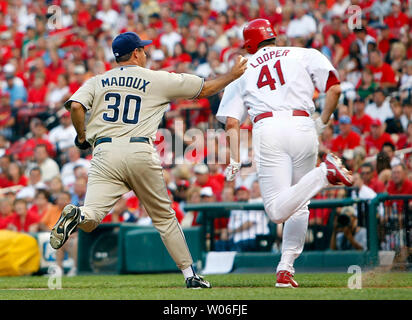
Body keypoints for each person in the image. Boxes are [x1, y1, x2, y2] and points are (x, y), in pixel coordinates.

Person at [49, 31, 247, 289]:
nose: (145, 52)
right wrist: (232, 75)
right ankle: (190, 276)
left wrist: (82, 136)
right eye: (142, 49)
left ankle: (77, 213)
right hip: (138, 149)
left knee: (92, 217)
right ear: (135, 54)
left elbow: (76, 107)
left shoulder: (98, 81)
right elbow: (205, 88)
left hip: (104, 152)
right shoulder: (155, 78)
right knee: (164, 218)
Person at [216, 19, 353, 288]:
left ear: (250, 44)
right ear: (273, 38)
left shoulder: (243, 68)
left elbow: (232, 123)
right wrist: (323, 120)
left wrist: (233, 158)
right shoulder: (303, 53)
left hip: (268, 127)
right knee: (299, 203)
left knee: (277, 211)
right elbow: (335, 88)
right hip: (304, 124)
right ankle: (285, 269)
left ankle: (325, 174)